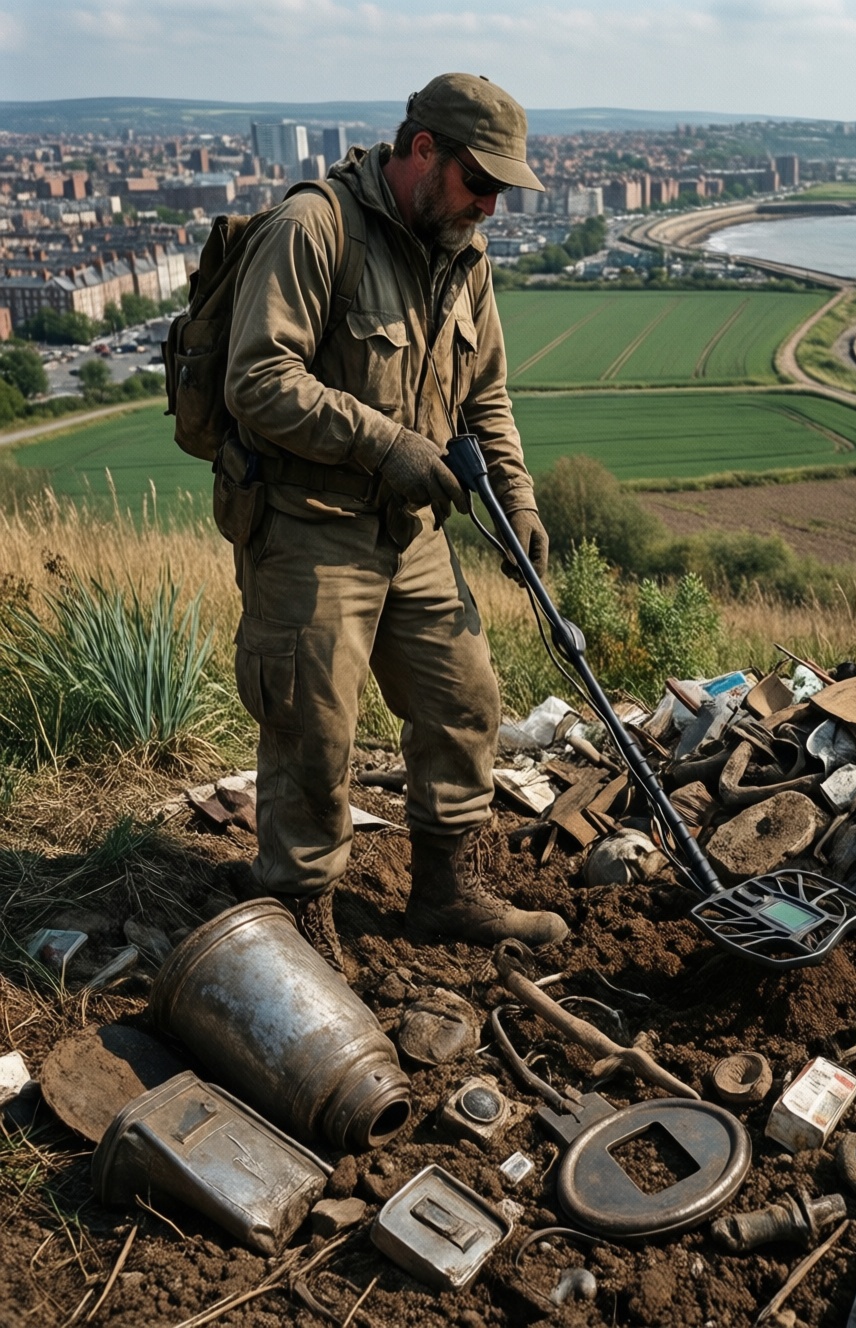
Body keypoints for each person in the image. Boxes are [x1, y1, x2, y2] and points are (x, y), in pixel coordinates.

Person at [221, 72, 568, 968]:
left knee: (464, 699)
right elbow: (258, 379)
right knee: (314, 725)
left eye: (499, 190)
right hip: (310, 524)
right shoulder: (313, 228)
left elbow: (485, 396)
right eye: (478, 183)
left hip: (411, 532)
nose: (490, 206)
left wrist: (518, 499)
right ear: (422, 152)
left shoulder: (464, 255)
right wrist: (387, 446)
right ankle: (300, 919)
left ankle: (446, 895)